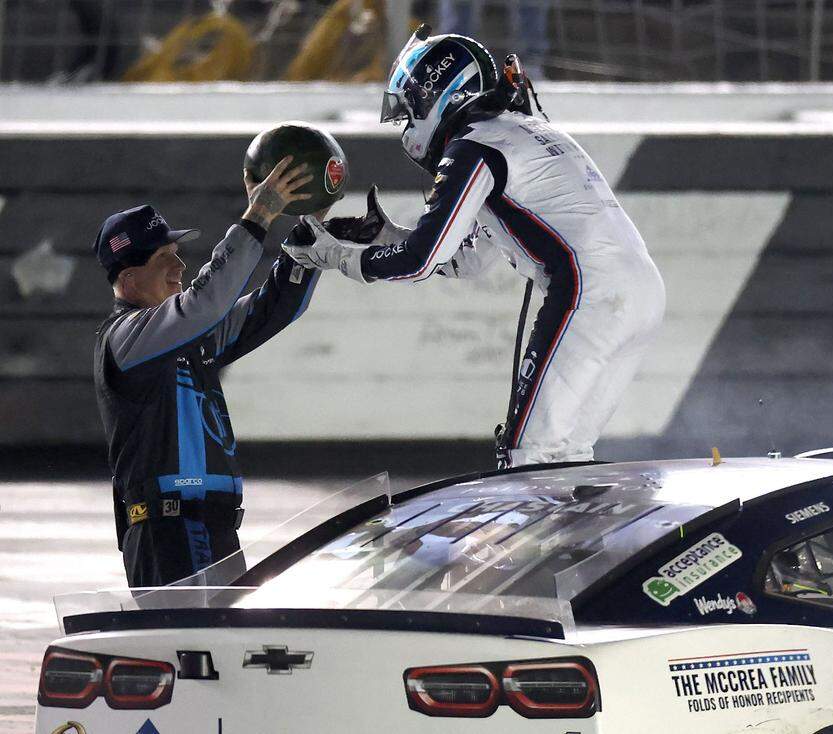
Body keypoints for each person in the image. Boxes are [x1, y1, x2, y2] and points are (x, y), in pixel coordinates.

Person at [283, 27, 665, 468]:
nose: (408, 128)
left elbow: (420, 262)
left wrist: (337, 256)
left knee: (529, 459)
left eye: (409, 114)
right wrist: (385, 236)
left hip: (587, 295)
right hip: (639, 295)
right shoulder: (521, 131)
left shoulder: (474, 147)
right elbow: (468, 258)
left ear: (436, 97)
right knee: (565, 458)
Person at [92, 157, 319, 587]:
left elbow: (272, 309)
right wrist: (258, 215)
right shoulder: (125, 338)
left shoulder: (185, 337)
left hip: (212, 529)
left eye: (177, 255)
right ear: (128, 278)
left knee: (221, 652)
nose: (179, 267)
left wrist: (312, 233)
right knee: (188, 652)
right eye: (165, 258)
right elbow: (207, 301)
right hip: (168, 533)